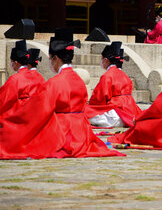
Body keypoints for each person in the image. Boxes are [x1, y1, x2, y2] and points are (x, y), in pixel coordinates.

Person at [0, 29, 123, 159]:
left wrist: (10, 122)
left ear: (56, 58)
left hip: (62, 132)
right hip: (82, 133)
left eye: (50, 58)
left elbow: (37, 111)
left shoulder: (54, 83)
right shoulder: (79, 80)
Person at [85, 42, 142, 128]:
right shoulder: (125, 75)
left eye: (102, 58)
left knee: (83, 112)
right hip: (130, 113)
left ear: (106, 60)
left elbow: (98, 99)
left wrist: (90, 106)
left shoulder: (107, 76)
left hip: (115, 116)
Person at [0, 40, 45, 117]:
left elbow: (3, 101)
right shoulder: (39, 77)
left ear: (16, 62)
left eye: (11, 61)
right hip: (37, 117)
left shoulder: (15, 79)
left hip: (21, 118)